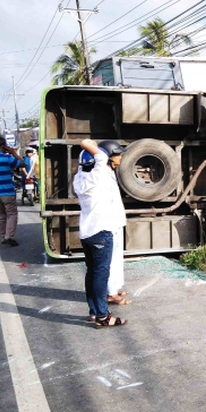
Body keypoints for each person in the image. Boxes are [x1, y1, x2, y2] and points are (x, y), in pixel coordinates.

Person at [73, 139, 127, 328]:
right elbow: (94, 150)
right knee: (101, 275)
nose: (119, 157)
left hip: (87, 233)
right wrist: (90, 144)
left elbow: (91, 158)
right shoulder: (99, 173)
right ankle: (103, 316)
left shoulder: (79, 179)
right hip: (102, 232)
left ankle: (95, 312)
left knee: (92, 274)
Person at [95, 140, 130, 306]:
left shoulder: (110, 172)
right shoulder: (101, 173)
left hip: (115, 221)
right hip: (109, 222)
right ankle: (110, 293)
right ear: (108, 157)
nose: (120, 157)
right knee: (111, 259)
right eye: (117, 155)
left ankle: (114, 288)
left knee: (117, 257)